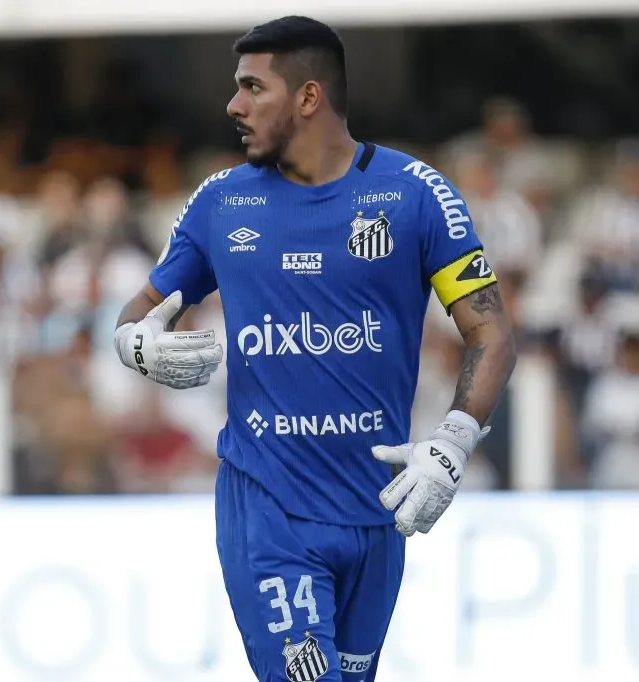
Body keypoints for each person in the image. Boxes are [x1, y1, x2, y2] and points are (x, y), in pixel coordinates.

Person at [113, 16, 517, 682]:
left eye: (252, 88)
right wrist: (137, 345)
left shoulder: (415, 195)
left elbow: (491, 330)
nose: (233, 106)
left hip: (377, 510)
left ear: (308, 98)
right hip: (267, 507)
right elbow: (139, 312)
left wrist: (453, 439)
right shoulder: (221, 203)